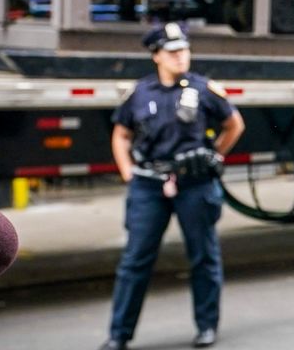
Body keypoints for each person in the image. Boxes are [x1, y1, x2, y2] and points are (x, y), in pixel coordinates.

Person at [100, 23, 245, 350]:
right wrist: (128, 173)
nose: (181, 57)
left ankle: (207, 327)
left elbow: (234, 124)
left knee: (203, 256)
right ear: (156, 56)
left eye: (184, 50)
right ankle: (118, 335)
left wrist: (214, 155)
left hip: (194, 183)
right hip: (149, 185)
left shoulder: (204, 89)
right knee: (135, 261)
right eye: (172, 52)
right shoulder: (140, 93)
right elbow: (121, 135)